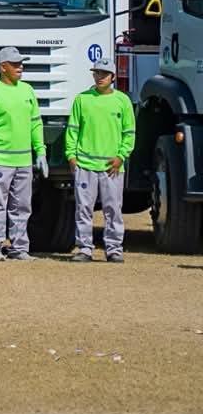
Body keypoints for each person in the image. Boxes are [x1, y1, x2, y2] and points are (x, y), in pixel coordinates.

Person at [0, 46, 47, 262]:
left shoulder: (27, 91)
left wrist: (40, 152)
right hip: (0, 160)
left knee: (22, 206)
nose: (20, 67)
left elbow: (36, 123)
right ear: (3, 67)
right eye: (15, 64)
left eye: (21, 63)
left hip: (23, 161)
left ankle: (19, 248)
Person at [66, 57, 135, 264]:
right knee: (83, 208)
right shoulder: (82, 99)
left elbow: (129, 133)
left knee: (113, 209)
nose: (99, 77)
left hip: (111, 167)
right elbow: (73, 129)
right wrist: (71, 156)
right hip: (85, 165)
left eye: (104, 74)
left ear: (113, 77)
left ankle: (114, 249)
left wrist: (121, 156)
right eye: (96, 73)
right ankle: (84, 248)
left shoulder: (122, 101)